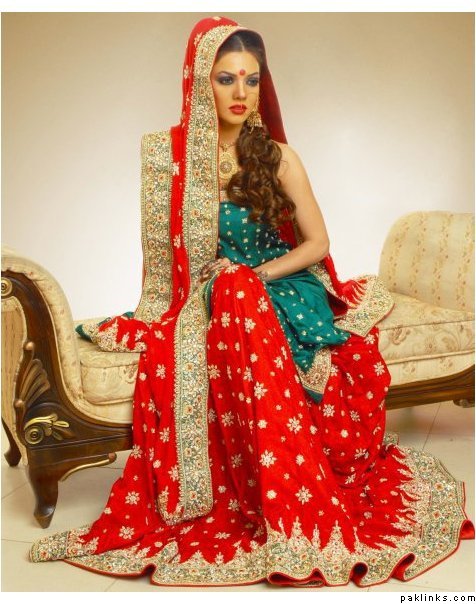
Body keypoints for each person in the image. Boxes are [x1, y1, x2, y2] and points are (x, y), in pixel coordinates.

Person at [30, 16, 473, 588]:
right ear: (200, 83)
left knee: (238, 285)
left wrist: (256, 276)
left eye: (251, 79)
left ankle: (288, 497)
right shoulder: (168, 159)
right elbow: (164, 267)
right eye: (226, 79)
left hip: (282, 286)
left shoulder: (279, 157)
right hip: (211, 296)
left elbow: (317, 244)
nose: (240, 92)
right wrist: (206, 295)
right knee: (230, 288)